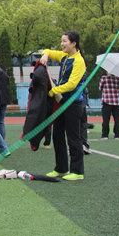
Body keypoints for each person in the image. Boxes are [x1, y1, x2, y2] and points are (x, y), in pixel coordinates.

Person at [39, 31, 87, 181]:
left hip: (73, 104)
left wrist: (53, 91)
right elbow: (48, 51)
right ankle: (61, 168)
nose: (62, 44)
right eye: (61, 41)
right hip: (62, 103)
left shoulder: (79, 61)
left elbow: (72, 84)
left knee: (73, 137)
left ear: (74, 43)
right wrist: (45, 55)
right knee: (57, 135)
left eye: (65, 41)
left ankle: (77, 171)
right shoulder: (64, 56)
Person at [98, 73, 119, 140]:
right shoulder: (118, 79)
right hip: (116, 101)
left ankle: (105, 134)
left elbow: (100, 88)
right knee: (117, 119)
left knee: (106, 119)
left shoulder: (104, 78)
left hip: (107, 101)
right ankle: (117, 134)